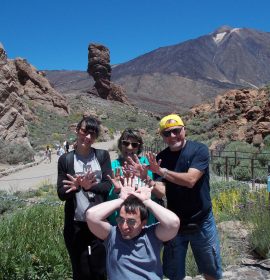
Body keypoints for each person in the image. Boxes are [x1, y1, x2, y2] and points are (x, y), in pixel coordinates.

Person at [145, 114, 222, 280]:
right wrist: (148, 180)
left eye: (176, 131)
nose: (172, 136)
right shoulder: (161, 158)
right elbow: (162, 191)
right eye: (167, 133)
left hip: (201, 221)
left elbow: (191, 180)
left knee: (211, 270)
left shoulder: (199, 150)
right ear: (162, 136)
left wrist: (162, 171)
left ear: (184, 130)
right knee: (174, 274)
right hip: (174, 223)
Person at [86, 177, 180, 280]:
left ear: (143, 223)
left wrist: (147, 202)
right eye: (121, 220)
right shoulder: (112, 235)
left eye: (131, 222)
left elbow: (173, 223)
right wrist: (121, 200)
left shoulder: (152, 235)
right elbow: (91, 216)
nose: (124, 226)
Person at [57, 116, 112, 280]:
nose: (87, 137)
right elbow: (61, 193)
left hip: (99, 222)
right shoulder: (66, 160)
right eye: (84, 132)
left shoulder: (101, 156)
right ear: (77, 131)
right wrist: (74, 189)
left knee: (99, 270)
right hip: (76, 225)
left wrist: (90, 186)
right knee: (80, 272)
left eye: (93, 134)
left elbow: (107, 186)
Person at [107, 128, 165, 225]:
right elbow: (109, 198)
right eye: (126, 143)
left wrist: (146, 179)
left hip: (146, 223)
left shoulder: (149, 165)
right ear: (120, 145)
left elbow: (160, 194)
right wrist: (117, 190)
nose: (129, 147)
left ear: (139, 147)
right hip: (120, 223)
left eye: (134, 144)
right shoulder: (113, 166)